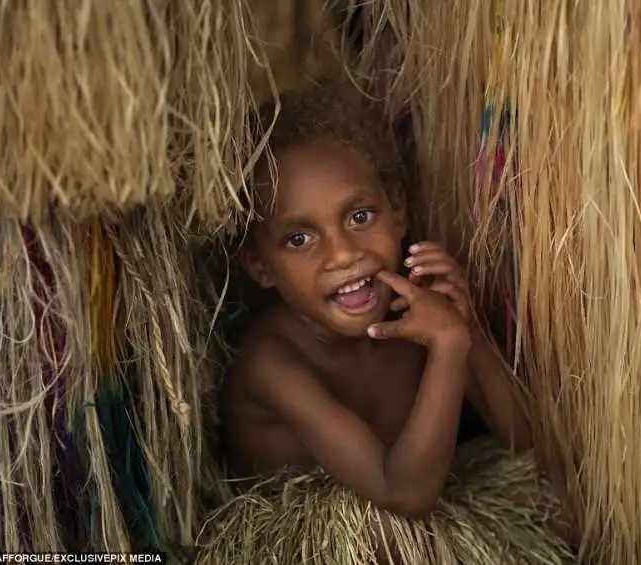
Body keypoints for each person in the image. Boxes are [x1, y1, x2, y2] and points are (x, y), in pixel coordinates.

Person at [219, 81, 533, 527]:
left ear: (398, 209)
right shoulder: (271, 366)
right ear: (260, 265)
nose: (344, 253)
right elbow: (403, 494)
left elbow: (522, 439)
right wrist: (446, 350)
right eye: (299, 239)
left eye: (360, 216)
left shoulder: (418, 309)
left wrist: (464, 329)